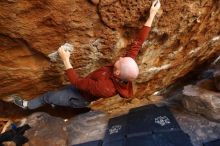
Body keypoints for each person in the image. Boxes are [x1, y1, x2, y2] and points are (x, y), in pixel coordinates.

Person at [11, 0, 161, 109]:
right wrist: (152, 15)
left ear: (117, 72)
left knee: (49, 96)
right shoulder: (124, 71)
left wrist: (65, 59)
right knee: (58, 94)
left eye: (121, 61)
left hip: (79, 96)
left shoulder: (106, 88)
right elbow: (138, 42)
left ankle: (27, 105)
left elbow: (77, 83)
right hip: (83, 86)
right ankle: (56, 101)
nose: (121, 57)